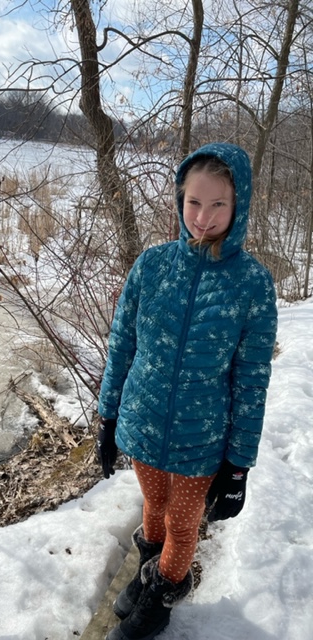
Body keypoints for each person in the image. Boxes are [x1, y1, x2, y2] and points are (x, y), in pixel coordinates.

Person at [96, 142, 278, 640]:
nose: (203, 217)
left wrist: (238, 465)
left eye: (218, 204)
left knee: (181, 525)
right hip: (142, 424)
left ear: (238, 205)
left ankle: (159, 600)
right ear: (180, 199)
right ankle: (148, 571)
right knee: (153, 510)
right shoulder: (151, 265)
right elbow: (122, 343)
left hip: (200, 441)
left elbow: (252, 380)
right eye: (194, 202)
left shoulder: (252, 284)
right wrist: (108, 416)